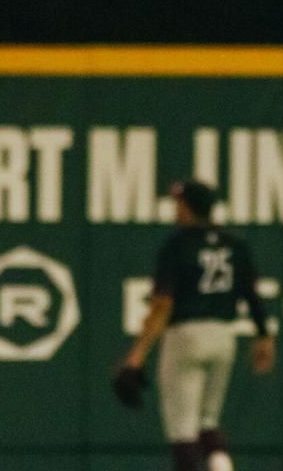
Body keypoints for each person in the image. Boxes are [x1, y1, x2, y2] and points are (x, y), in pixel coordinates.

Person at [117, 179, 275, 471]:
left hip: (186, 336)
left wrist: (136, 356)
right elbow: (252, 295)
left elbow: (163, 304)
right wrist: (264, 336)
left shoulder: (178, 245)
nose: (175, 209)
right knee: (209, 426)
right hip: (224, 336)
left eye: (178, 203)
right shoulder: (235, 245)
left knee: (183, 435)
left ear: (187, 207)